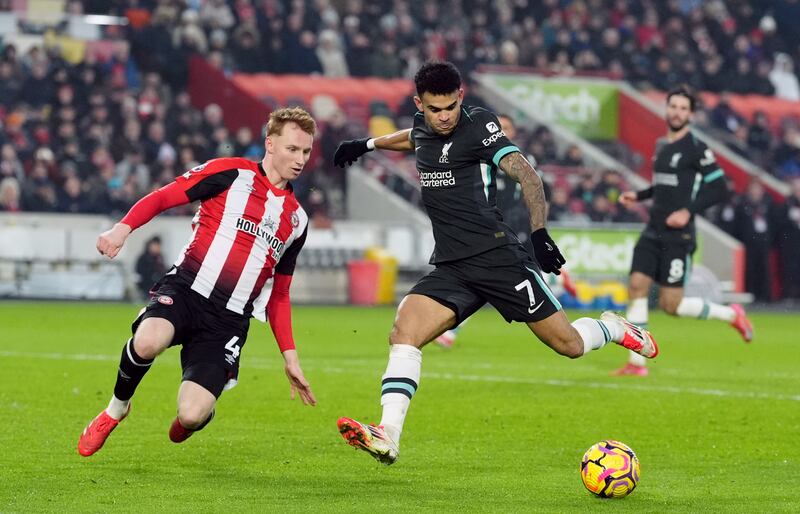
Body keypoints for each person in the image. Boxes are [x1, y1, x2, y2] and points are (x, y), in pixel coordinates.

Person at [331, 61, 658, 465]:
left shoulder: (478, 126)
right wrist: (367, 145)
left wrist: (539, 234)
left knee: (568, 345)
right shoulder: (422, 126)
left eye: (451, 106)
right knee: (404, 333)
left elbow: (526, 174)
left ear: (461, 97)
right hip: (452, 266)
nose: (444, 116)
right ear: (420, 104)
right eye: (435, 109)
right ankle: (389, 433)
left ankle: (613, 326)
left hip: (497, 258)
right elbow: (414, 137)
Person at [77, 107, 318, 457]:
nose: (300, 159)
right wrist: (122, 228)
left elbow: (279, 294)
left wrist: (290, 356)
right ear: (269, 143)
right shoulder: (230, 173)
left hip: (227, 320)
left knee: (191, 415)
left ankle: (196, 416)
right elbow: (163, 196)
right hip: (187, 289)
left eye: (306, 151)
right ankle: (116, 409)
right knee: (147, 341)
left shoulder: (297, 219)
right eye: (292, 149)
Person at [612, 85, 754, 377]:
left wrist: (688, 211)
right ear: (666, 109)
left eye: (682, 108)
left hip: (680, 237)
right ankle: (636, 364)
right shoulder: (661, 145)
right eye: (672, 106)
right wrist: (638, 197)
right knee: (637, 286)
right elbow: (663, 186)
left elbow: (720, 188)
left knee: (670, 305)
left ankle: (731, 314)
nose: (676, 112)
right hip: (653, 230)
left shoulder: (697, 148)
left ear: (691, 114)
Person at [434, 113, 575, 348]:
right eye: (500, 126)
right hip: (487, 225)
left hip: (512, 225)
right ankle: (560, 281)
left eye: (507, 127)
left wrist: (538, 223)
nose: (503, 131)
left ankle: (560, 283)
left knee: (507, 276)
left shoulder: (521, 158)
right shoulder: (475, 153)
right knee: (485, 278)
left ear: (514, 132)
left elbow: (537, 187)